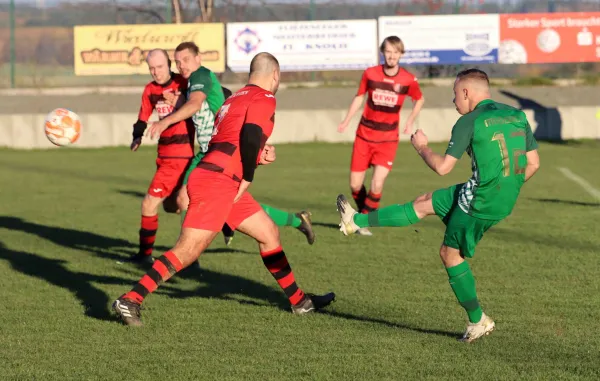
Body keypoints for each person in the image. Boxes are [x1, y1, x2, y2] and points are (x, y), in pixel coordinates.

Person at [113, 52, 335, 326]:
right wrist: (250, 175)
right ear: (275, 75)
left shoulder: (234, 99)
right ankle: (131, 299)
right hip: (219, 182)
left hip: (216, 175)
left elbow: (230, 142)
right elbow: (251, 135)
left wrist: (256, 156)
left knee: (268, 233)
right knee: (188, 250)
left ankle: (300, 302)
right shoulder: (265, 98)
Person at [336, 68, 541, 343]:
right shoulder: (516, 115)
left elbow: (443, 168)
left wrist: (421, 147)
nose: (453, 99)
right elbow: (534, 163)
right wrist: (507, 188)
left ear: (466, 92)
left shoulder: (470, 121)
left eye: (455, 93)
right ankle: (355, 222)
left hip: (481, 200)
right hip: (496, 194)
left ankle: (477, 319)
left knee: (450, 254)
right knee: (424, 203)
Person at [156, 42, 316, 247]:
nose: (181, 65)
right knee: (188, 203)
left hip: (218, 155)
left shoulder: (201, 76)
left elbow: (198, 104)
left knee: (185, 199)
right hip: (208, 152)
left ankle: (188, 254)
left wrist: (165, 121)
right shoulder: (196, 82)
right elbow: (217, 98)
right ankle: (295, 220)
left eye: (185, 59)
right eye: (177, 62)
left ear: (198, 58)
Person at [337, 36, 425, 236]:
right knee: (355, 184)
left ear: (401, 54)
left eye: (396, 52)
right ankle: (360, 218)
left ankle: (361, 221)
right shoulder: (370, 74)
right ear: (382, 52)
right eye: (388, 51)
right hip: (364, 136)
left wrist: (410, 120)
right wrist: (347, 120)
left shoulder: (408, 79)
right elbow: (359, 96)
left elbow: (419, 99)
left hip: (387, 140)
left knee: (377, 182)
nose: (392, 55)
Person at [128, 49, 193, 264]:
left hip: (180, 155)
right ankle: (198, 246)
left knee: (148, 204)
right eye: (151, 68)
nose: (156, 72)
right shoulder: (150, 90)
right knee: (172, 206)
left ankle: (145, 256)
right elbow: (142, 116)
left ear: (169, 64)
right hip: (163, 154)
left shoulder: (182, 84)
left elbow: (196, 105)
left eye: (160, 67)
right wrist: (137, 136)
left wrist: (178, 101)